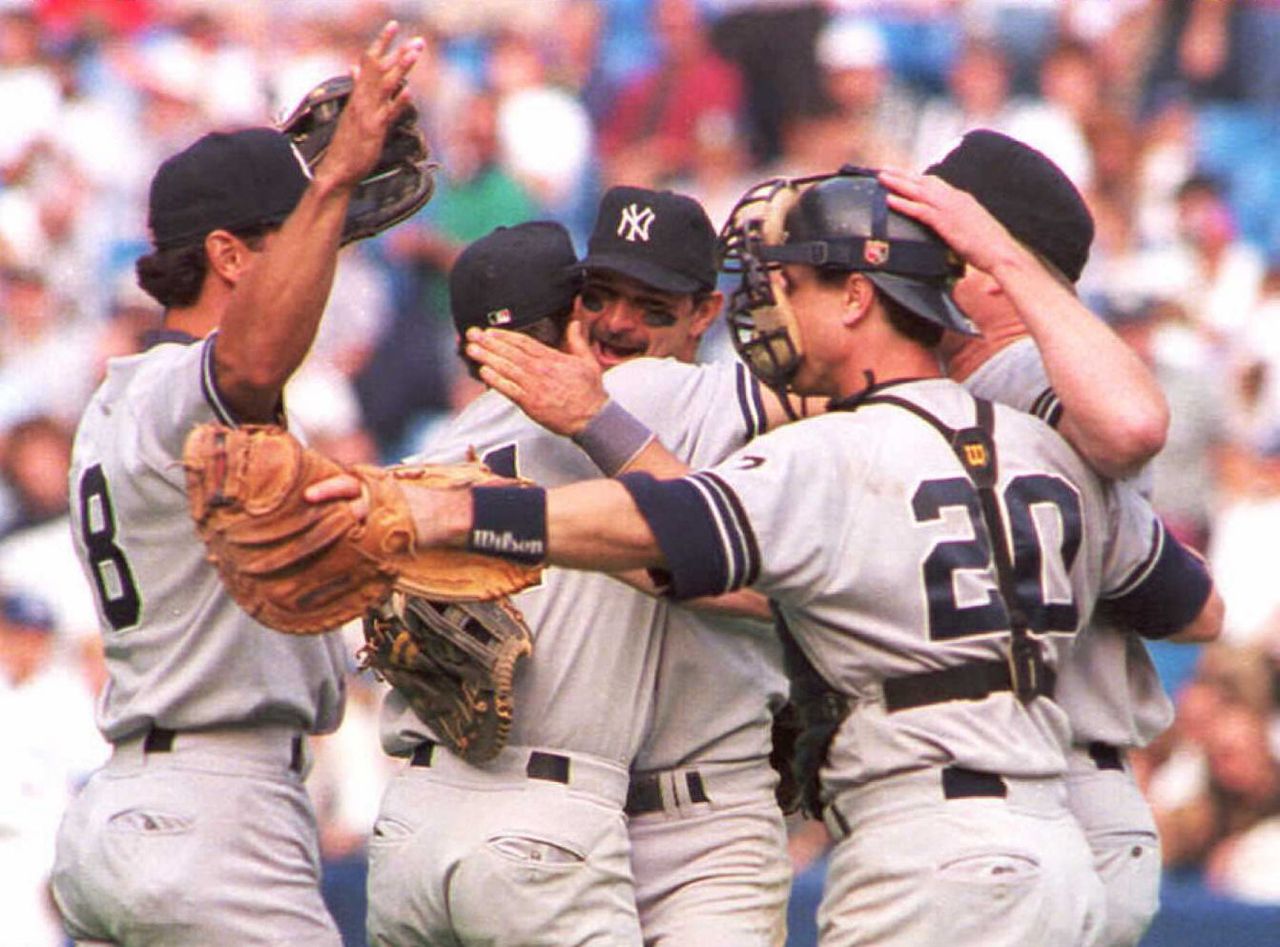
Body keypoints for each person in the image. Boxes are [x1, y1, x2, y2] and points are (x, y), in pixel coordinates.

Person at [316, 167, 1224, 947]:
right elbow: (1197, 606)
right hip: (1051, 833)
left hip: (915, 842)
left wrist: (445, 516)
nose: (771, 304)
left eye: (792, 285)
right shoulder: (1037, 446)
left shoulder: (825, 453)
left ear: (859, 295)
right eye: (603, 298)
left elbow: (653, 528)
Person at [49, 22, 425, 946]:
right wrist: (331, 179)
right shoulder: (186, 389)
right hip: (217, 817)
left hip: (133, 810)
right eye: (296, 236)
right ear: (227, 256)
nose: (325, 256)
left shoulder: (121, 399)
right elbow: (250, 360)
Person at [367, 189, 792, 946]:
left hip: (697, 822)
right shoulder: (565, 409)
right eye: (601, 296)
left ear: (706, 313)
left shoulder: (708, 397)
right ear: (569, 303)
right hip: (564, 809)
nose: (621, 323)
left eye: (652, 305)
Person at [877, 128, 1201, 947]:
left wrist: (1000, 252)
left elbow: (1130, 424)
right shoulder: (955, 385)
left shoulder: (1024, 374)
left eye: (940, 240)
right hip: (995, 798)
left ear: (992, 271)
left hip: (1049, 786)